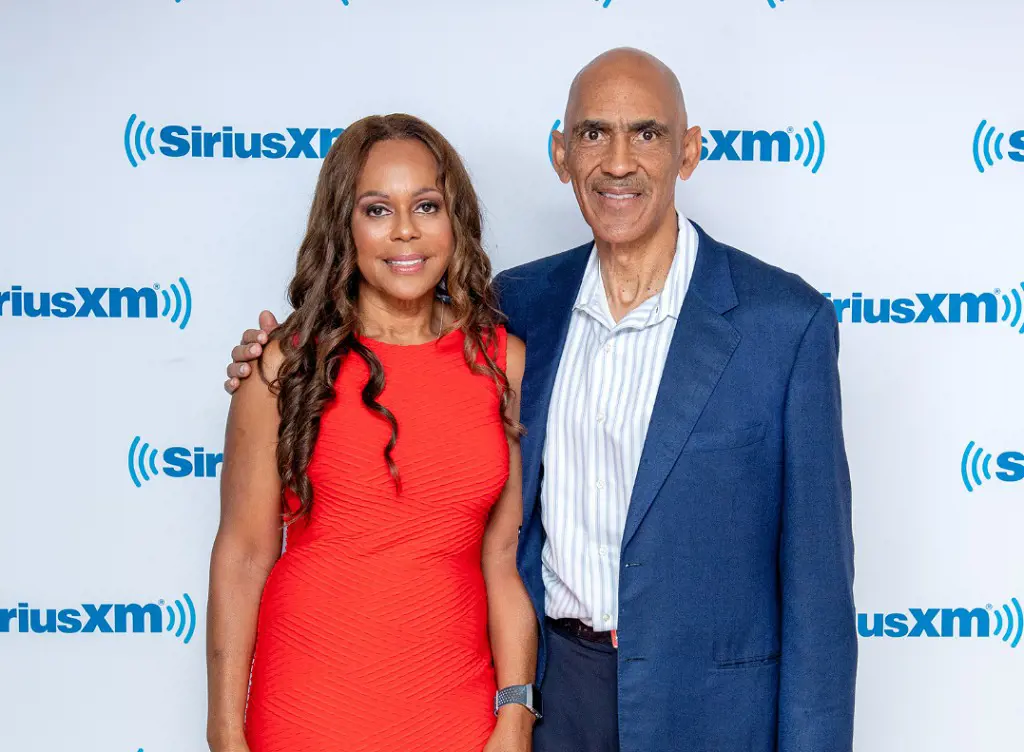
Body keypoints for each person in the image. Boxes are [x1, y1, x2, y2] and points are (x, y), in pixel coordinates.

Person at [226, 49, 856, 752]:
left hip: (708, 707)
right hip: (556, 694)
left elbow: (819, 590)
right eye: (593, 134)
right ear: (561, 154)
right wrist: (272, 359)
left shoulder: (783, 323)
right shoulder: (518, 311)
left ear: (689, 150)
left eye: (646, 133)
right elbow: (394, 338)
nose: (618, 161)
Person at [207, 114, 539, 752]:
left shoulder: (503, 363)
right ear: (345, 226)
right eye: (378, 209)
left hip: (457, 720)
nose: (405, 230)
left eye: (427, 205)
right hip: (306, 715)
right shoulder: (282, 365)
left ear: (455, 219)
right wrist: (224, 731)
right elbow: (244, 555)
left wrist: (515, 714)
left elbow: (502, 560)